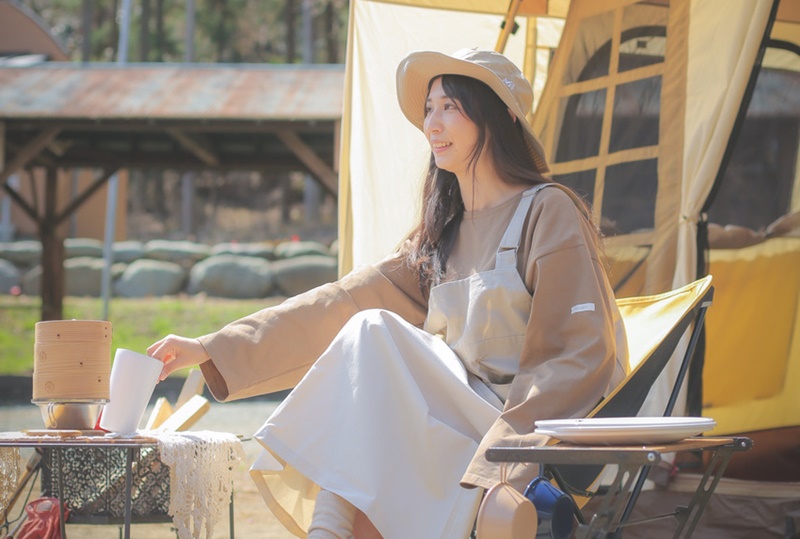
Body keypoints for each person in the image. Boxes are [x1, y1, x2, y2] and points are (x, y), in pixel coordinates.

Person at [148, 48, 628, 539]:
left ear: (501, 117)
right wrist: (212, 347)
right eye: (429, 109)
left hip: (512, 435)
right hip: (447, 432)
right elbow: (339, 305)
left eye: (450, 107)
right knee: (364, 338)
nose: (432, 124)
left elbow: (576, 353)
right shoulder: (442, 236)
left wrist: (507, 459)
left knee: (373, 332)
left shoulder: (547, 212)